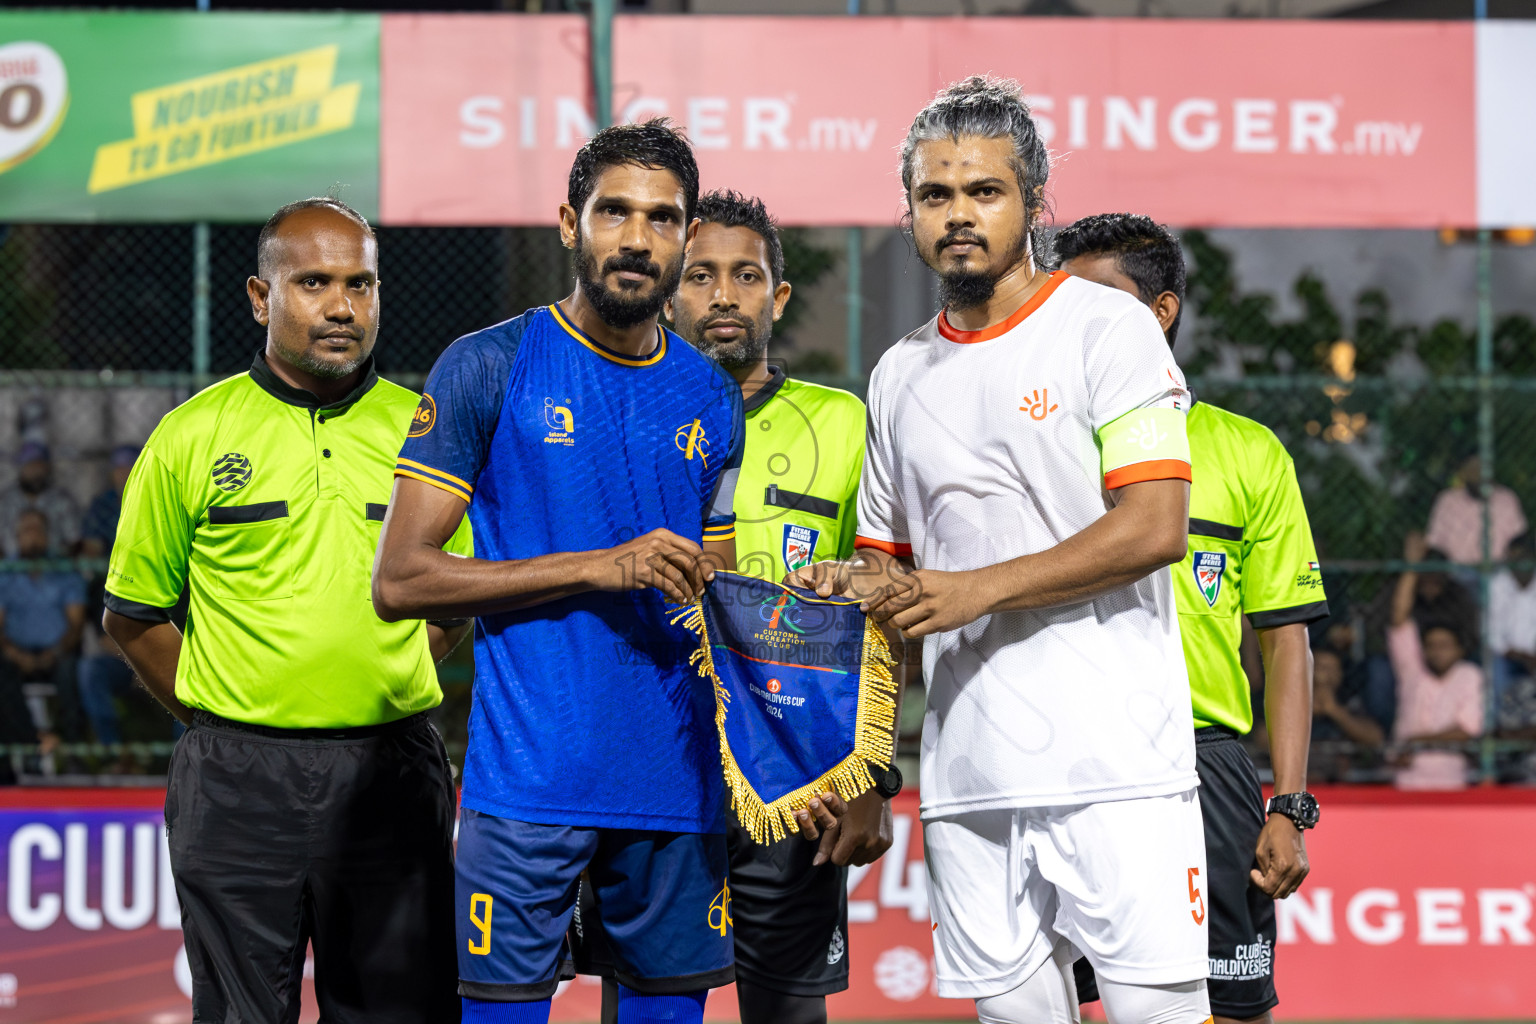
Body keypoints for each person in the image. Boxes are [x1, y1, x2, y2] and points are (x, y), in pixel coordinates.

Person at [789, 77, 1210, 1023]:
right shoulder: (897, 373)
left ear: (1033, 203)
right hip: (969, 780)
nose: (959, 216)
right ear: (909, 214)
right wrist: (868, 770)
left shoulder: (1109, 331)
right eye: (935, 196)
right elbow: (895, 587)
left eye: (984, 191)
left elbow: (1155, 526)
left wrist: (974, 590)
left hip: (1120, 771)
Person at [373, 121, 762, 1024]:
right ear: (567, 223)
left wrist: (804, 618)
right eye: (612, 212)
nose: (636, 238)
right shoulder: (486, 365)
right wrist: (601, 567)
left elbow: (722, 588)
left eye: (661, 219)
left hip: (679, 788)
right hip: (528, 790)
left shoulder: (711, 395)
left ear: (687, 235)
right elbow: (401, 582)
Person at [102, 197, 469, 1024]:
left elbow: (458, 597)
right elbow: (133, 616)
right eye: (313, 282)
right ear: (260, 298)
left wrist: (382, 671)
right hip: (235, 782)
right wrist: (221, 711)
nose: (343, 306)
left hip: (390, 774)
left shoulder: (427, 434)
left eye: (361, 284)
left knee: (396, 1013)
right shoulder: (190, 436)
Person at [572, 190, 890, 1024]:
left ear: (777, 296)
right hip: (654, 767)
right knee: (648, 1009)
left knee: (788, 1014)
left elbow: (883, 605)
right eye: (702, 275)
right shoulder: (619, 414)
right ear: (670, 287)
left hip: (795, 781)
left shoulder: (843, 423)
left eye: (746, 276)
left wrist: (870, 776)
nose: (723, 296)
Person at [1054, 212, 1326, 1024]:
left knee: (1231, 1009)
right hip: (1066, 755)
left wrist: (1290, 803)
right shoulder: (1043, 443)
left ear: (1160, 311)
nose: (1076, 324)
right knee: (1048, 1002)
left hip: (1202, 764)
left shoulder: (1247, 451)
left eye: (1098, 300)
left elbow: (1285, 642)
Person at [1387, 532, 1483, 790]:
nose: (1437, 652)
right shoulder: (1412, 670)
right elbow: (1398, 618)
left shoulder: (1470, 675)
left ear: (1460, 650)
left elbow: (1465, 733)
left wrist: (1415, 742)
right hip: (1406, 784)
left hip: (1453, 785)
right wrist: (1412, 566)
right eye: (1430, 646)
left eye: (1444, 646)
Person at [0, 508, 86, 766]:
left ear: (48, 536)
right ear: (16, 536)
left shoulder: (65, 571)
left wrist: (55, 653)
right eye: (26, 530)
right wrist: (16, 654)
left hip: (58, 654)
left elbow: (76, 624)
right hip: (16, 655)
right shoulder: (5, 574)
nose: (32, 536)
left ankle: (73, 754)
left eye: (37, 529)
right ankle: (28, 750)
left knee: (73, 672)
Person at [78, 444, 143, 751]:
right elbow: (91, 551)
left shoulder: (154, 502)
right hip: (120, 650)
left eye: (130, 467)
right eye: (119, 468)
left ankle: (175, 759)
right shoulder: (103, 505)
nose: (124, 474)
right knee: (90, 670)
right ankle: (112, 752)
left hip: (158, 647)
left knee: (188, 671)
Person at [1425, 452, 1526, 566]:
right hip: (1459, 573)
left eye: (1483, 468)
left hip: (1500, 570)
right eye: (1473, 469)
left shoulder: (1507, 498)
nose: (1479, 474)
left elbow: (1519, 540)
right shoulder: (1447, 501)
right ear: (1464, 473)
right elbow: (1436, 544)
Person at [0, 442, 82, 558]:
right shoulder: (5, 501)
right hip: (12, 568)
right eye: (29, 465)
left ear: (47, 467)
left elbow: (75, 541)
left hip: (55, 566)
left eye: (39, 465)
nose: (34, 471)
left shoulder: (63, 500)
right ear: (20, 468)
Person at [1489, 531, 1536, 703]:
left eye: (1523, 557)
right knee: (1494, 668)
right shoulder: (1497, 585)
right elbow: (1491, 631)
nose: (1518, 563)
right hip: (1506, 656)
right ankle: (1497, 725)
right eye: (1512, 558)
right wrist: (1516, 654)